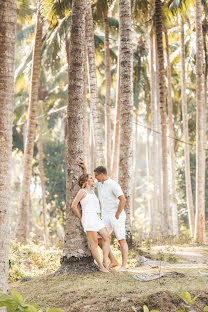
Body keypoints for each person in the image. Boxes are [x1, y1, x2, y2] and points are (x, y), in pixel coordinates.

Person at [79, 161, 128, 271]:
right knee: (101, 239)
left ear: (102, 174)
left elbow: (122, 199)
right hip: (105, 217)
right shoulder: (99, 184)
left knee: (121, 239)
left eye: (96, 175)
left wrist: (118, 214)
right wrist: (85, 169)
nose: (95, 178)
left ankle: (124, 266)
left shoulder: (113, 184)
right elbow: (88, 182)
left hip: (116, 216)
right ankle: (113, 261)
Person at [71, 173, 110, 273]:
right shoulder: (82, 191)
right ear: (85, 181)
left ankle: (105, 261)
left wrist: (84, 169)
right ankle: (101, 266)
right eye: (91, 178)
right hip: (88, 217)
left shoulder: (92, 191)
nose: (93, 179)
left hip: (96, 217)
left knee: (107, 237)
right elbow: (73, 206)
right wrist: (81, 217)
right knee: (94, 242)